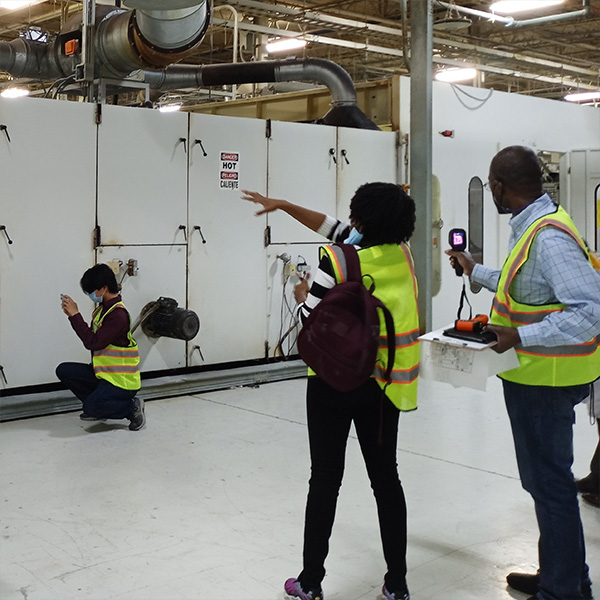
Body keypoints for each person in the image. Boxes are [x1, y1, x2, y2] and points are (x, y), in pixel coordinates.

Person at [242, 183, 419, 600]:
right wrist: (285, 204)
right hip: (382, 387)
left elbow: (312, 318)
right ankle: (397, 584)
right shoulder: (404, 255)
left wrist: (302, 295)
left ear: (360, 222)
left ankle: (310, 583)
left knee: (324, 480)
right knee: (386, 480)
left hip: (332, 384)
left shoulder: (337, 261)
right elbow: (338, 229)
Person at [446, 146, 600, 600]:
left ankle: (563, 590)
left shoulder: (547, 236)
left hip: (545, 379)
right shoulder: (535, 224)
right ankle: (565, 574)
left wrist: (520, 337)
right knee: (544, 482)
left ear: (497, 186)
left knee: (549, 484)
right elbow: (527, 285)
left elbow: (590, 311)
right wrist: (478, 271)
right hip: (535, 376)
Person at [57, 263, 145, 431]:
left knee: (90, 407)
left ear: (104, 288)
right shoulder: (102, 310)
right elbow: (92, 338)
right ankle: (99, 406)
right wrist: (73, 316)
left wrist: (75, 316)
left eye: (92, 291)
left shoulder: (118, 315)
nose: (91, 295)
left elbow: (93, 343)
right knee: (64, 371)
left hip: (121, 382)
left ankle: (131, 408)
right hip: (104, 374)